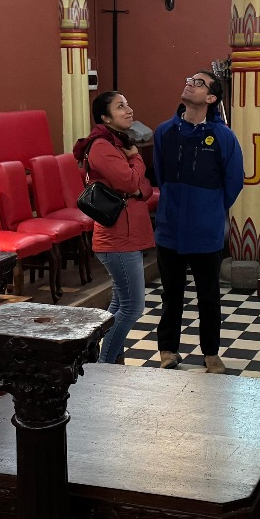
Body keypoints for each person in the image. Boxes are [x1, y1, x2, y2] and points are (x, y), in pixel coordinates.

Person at [152, 69, 244, 373]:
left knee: (209, 296)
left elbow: (233, 182)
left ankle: (211, 353)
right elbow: (161, 176)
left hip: (206, 230)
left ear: (211, 98)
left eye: (199, 83)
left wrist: (209, 208)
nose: (190, 85)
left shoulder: (223, 136)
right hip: (170, 228)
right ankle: (167, 349)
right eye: (189, 80)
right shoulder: (165, 132)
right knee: (171, 293)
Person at [72, 91, 154, 365]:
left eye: (128, 104)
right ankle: (103, 367)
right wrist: (137, 159)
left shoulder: (118, 144)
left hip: (127, 233)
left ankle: (112, 361)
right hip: (118, 236)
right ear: (105, 118)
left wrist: (136, 182)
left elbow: (143, 188)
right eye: (120, 107)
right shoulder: (102, 147)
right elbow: (131, 183)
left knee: (120, 304)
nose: (129, 110)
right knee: (132, 308)